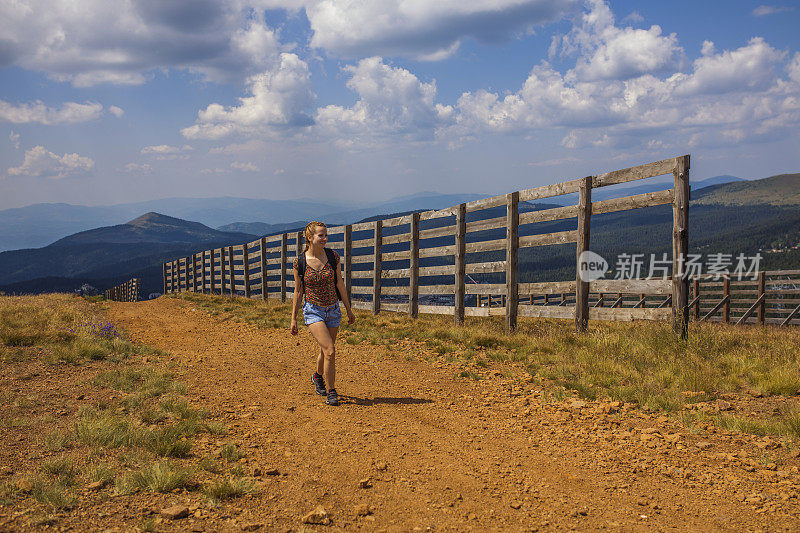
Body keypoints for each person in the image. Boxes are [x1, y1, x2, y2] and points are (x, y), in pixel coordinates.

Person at [290, 221, 355, 406]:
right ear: (310, 238)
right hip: (313, 310)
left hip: (333, 310)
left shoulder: (333, 257)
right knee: (330, 350)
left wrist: (349, 310)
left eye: (326, 235)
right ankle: (332, 391)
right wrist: (293, 318)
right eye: (321, 235)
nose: (325, 239)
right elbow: (298, 291)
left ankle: (317, 376)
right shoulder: (300, 262)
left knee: (325, 351)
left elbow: (340, 284)